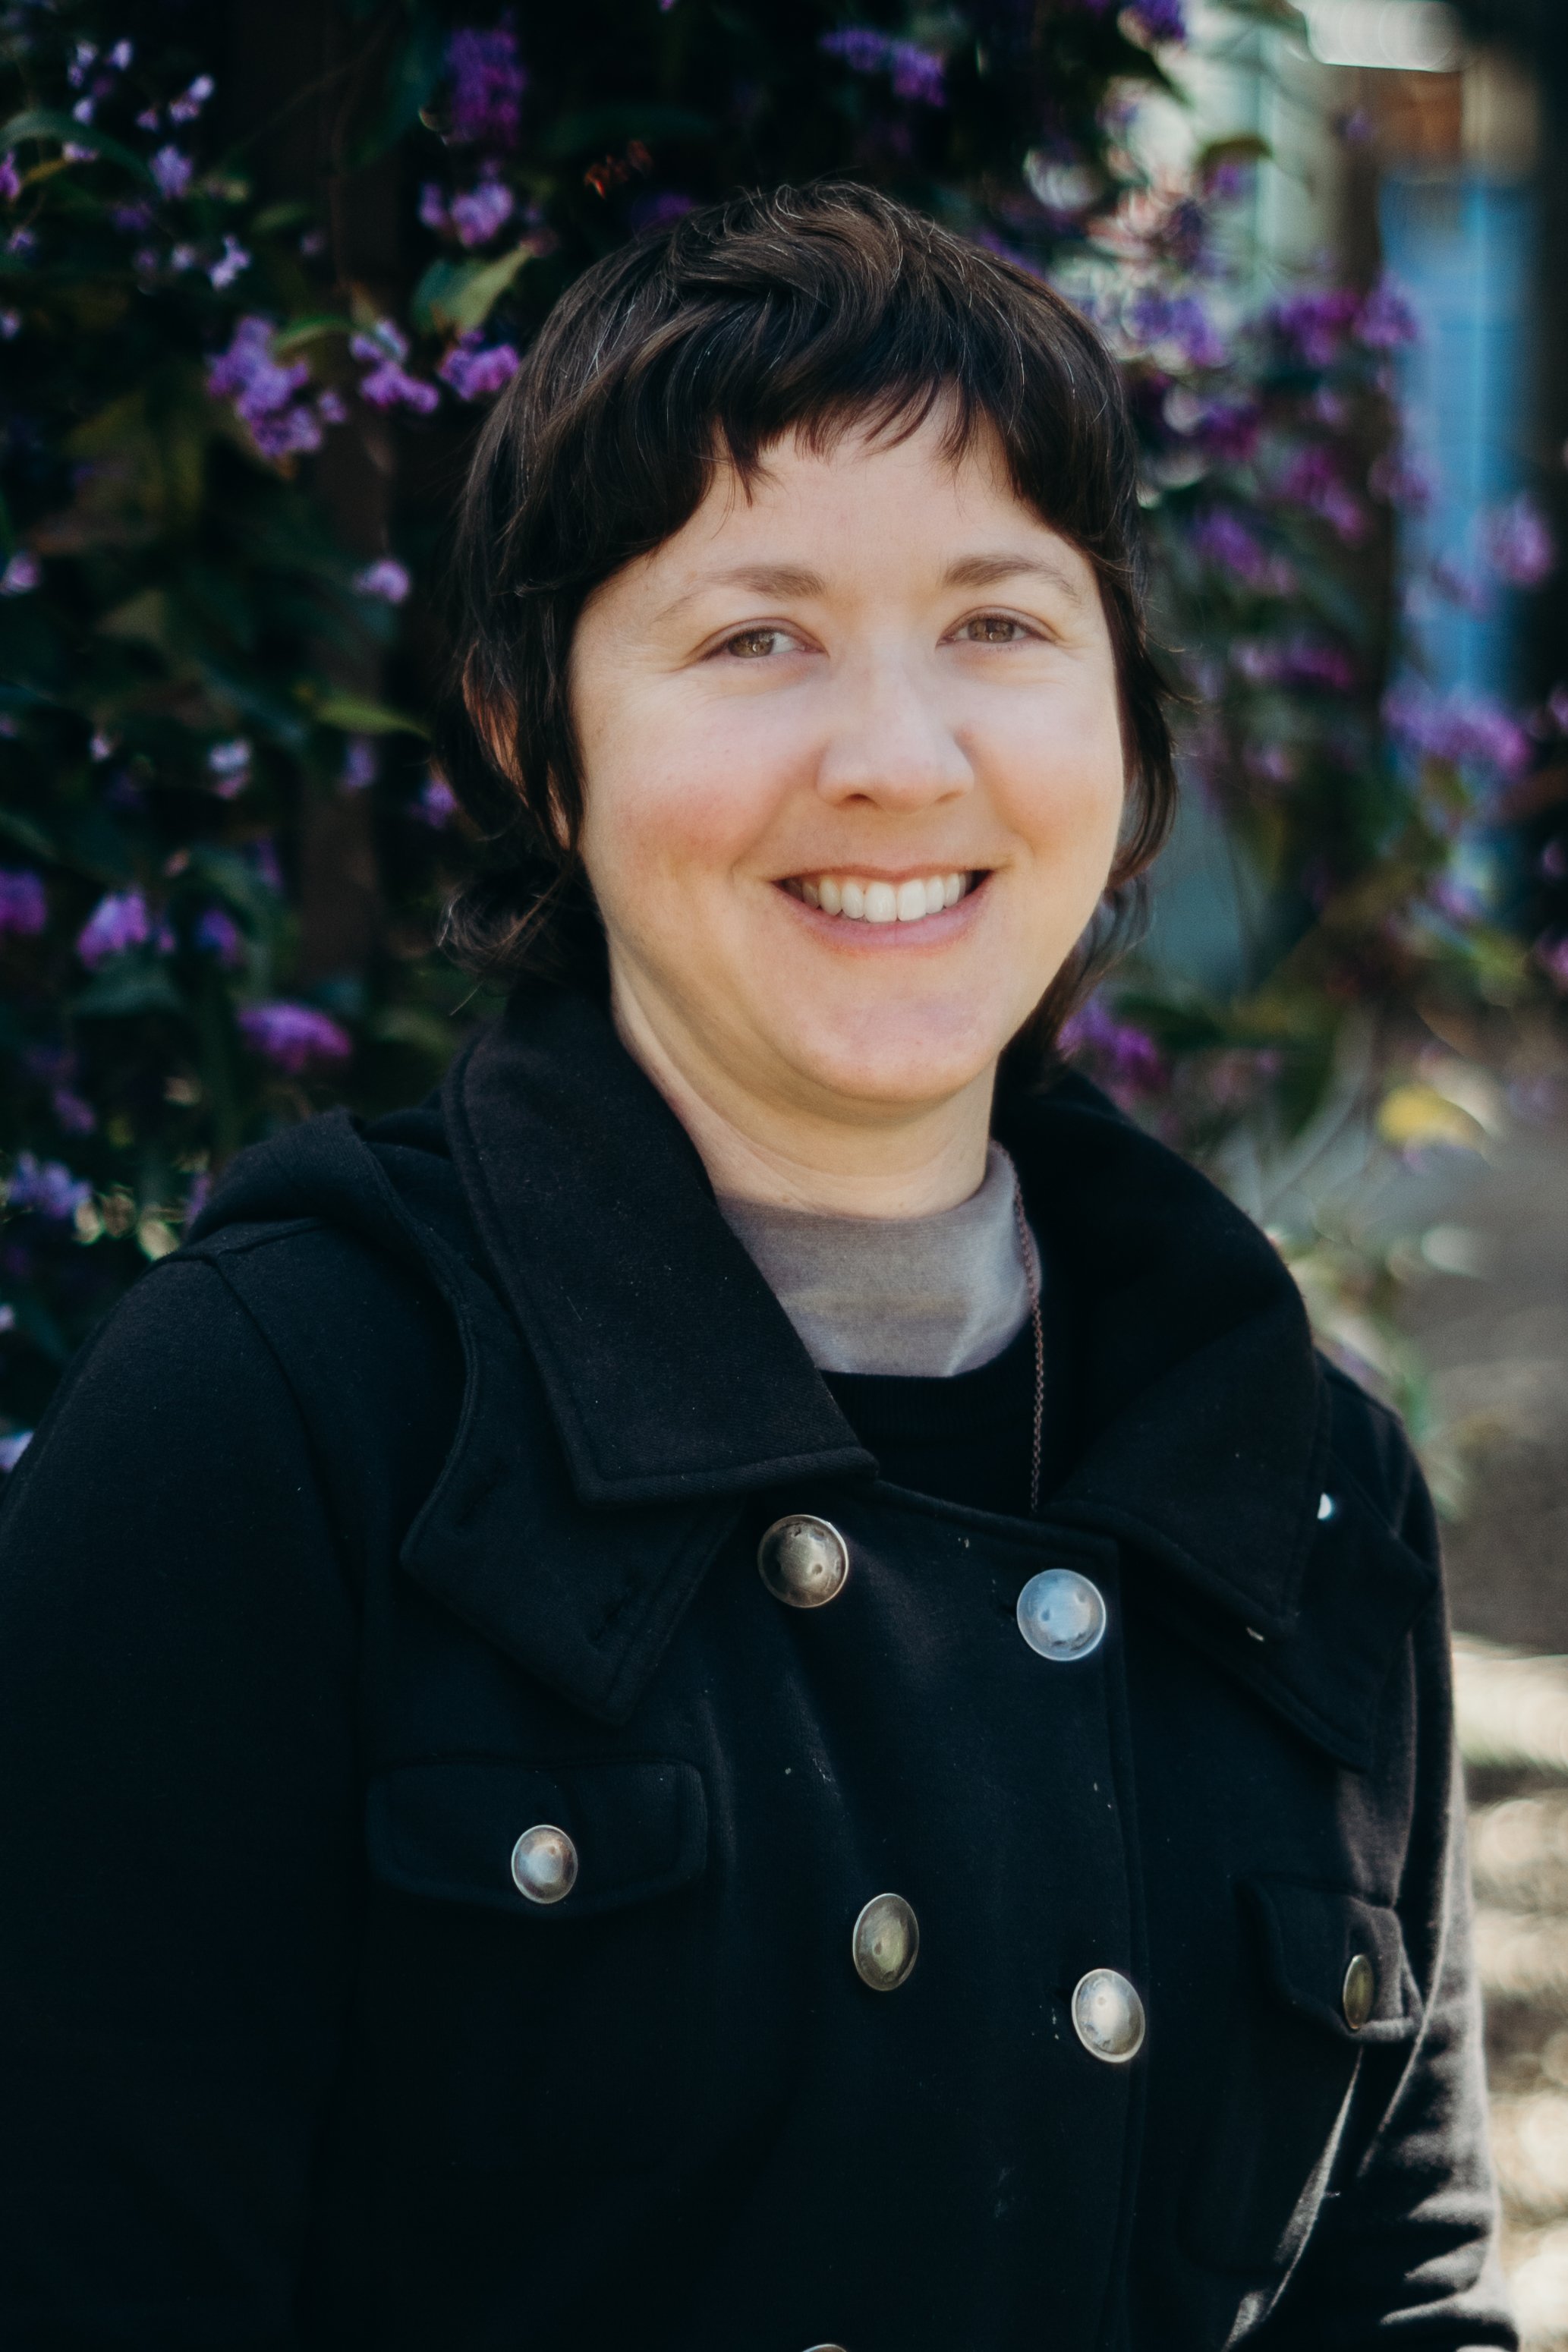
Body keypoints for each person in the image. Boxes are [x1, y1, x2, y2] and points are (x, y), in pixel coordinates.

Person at [0, 182, 1514, 2352]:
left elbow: (1404, 2296)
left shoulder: (1293, 1480)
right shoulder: (283, 1421)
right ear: (536, 734)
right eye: (753, 635)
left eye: (999, 623)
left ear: (1128, 728)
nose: (898, 756)